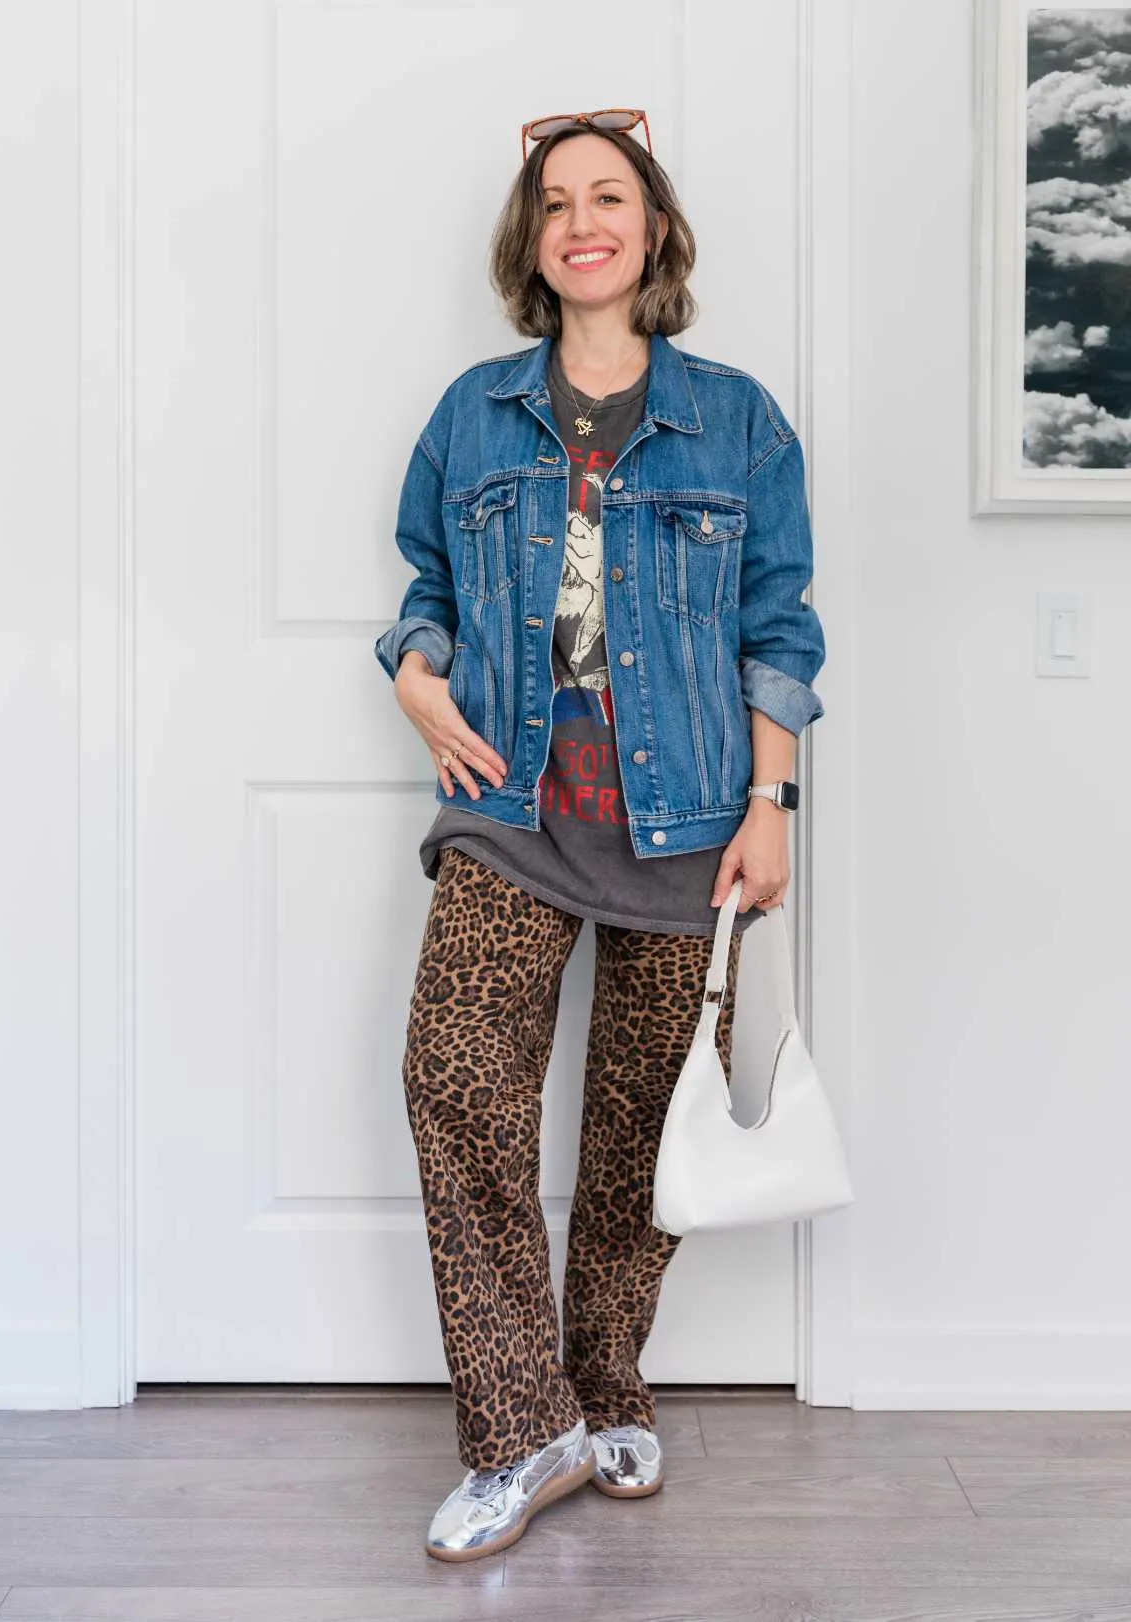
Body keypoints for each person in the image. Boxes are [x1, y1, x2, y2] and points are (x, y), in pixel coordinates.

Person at [373, 108, 827, 1562]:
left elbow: (779, 626)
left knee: (637, 1138)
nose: (585, 221)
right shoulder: (473, 414)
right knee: (455, 1086)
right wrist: (413, 675)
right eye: (558, 201)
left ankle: (609, 1375)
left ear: (653, 229)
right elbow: (427, 579)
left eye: (609, 196)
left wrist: (770, 806)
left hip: (687, 823)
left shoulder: (739, 420)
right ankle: (524, 1425)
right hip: (509, 814)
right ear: (535, 241)